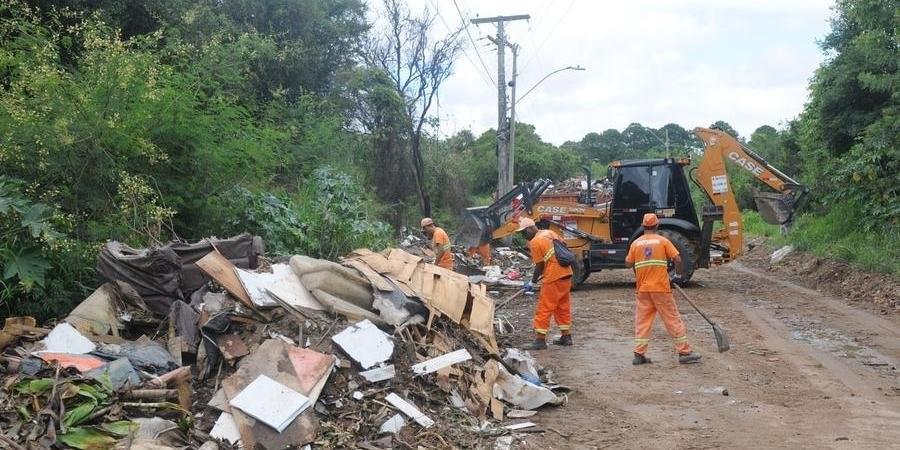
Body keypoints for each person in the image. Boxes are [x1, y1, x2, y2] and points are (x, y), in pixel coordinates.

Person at [625, 213, 701, 365]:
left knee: (642, 321)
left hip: (643, 290)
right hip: (660, 288)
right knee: (672, 319)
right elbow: (677, 259)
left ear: (643, 226)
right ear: (657, 225)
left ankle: (639, 354)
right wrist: (677, 275)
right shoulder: (663, 241)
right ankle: (684, 352)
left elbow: (628, 263)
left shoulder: (636, 243)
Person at [516, 218, 573, 350]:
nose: (524, 236)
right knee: (562, 306)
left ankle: (540, 340)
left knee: (544, 308)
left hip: (553, 277)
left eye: (524, 232)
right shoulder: (550, 233)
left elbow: (539, 265)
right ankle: (566, 337)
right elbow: (562, 248)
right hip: (566, 273)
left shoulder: (535, 242)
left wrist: (532, 281)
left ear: (531, 228)